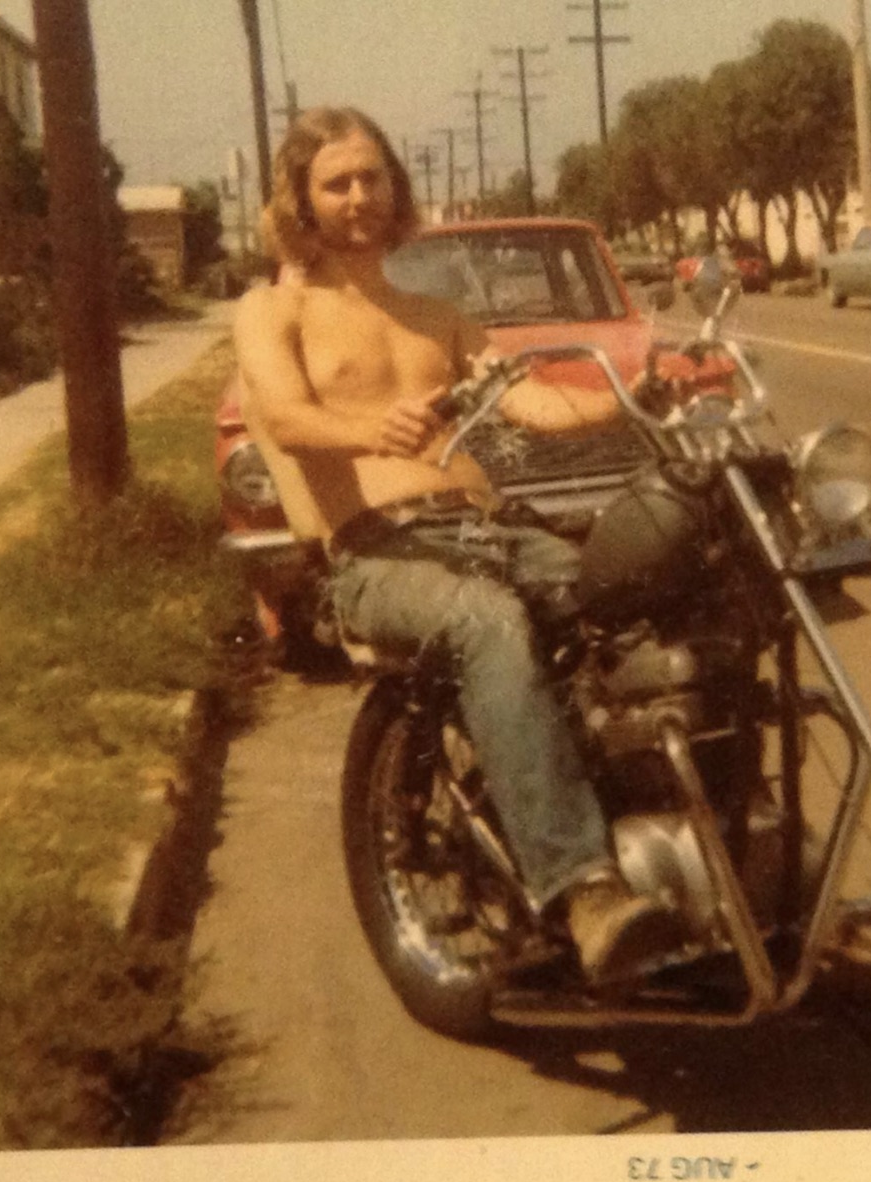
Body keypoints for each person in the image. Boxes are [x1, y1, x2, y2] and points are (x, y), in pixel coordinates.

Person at [232, 106, 679, 984]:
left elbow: (531, 404)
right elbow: (283, 416)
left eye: (373, 177)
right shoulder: (272, 310)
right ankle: (582, 890)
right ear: (301, 199)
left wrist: (635, 395)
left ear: (396, 185)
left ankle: (691, 832)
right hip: (375, 553)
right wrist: (367, 425)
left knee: (644, 591)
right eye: (337, 182)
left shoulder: (436, 314)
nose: (360, 196)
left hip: (488, 528)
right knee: (486, 621)